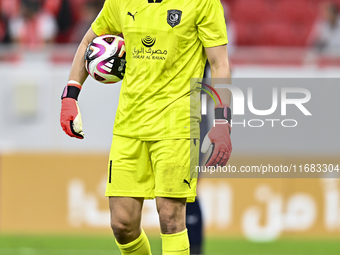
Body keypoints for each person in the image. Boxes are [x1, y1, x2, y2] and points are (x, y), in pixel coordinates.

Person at [60, 0, 232, 254]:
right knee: (122, 224)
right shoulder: (120, 2)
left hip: (178, 125)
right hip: (129, 125)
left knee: (171, 218)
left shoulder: (202, 3)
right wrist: (70, 96)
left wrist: (221, 122)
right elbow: (87, 42)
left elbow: (220, 64)